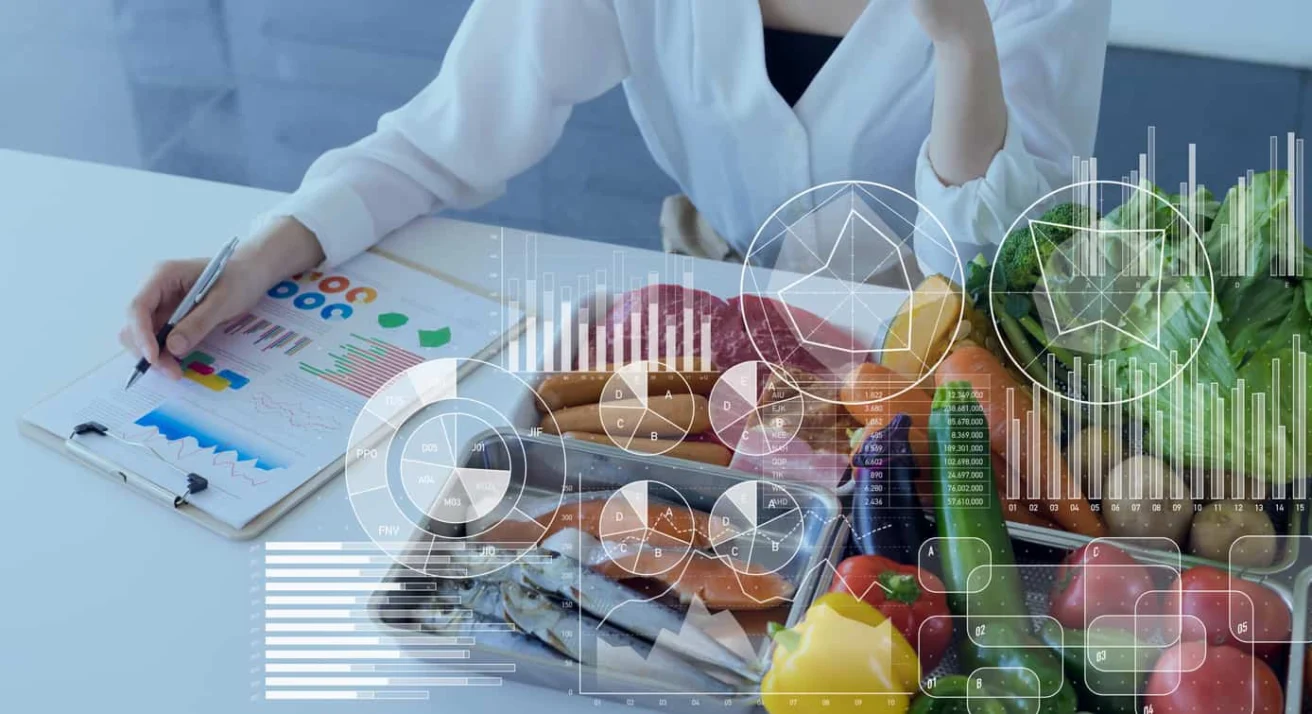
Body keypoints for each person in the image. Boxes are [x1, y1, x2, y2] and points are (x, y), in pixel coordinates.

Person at [122, 0, 1111, 378]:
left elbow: (995, 269)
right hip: (729, 336)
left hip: (955, 362)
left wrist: (958, 37)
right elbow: (441, 137)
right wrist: (267, 247)